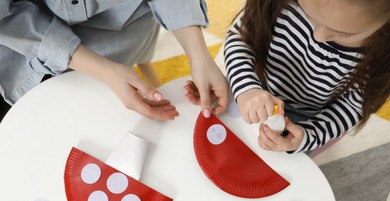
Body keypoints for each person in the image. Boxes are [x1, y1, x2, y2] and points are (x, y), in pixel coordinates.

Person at [0, 0, 228, 121]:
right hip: (18, 54)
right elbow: (7, 17)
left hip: (122, 35)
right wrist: (105, 71)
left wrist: (199, 54)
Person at [224, 0, 390, 153]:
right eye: (308, 15)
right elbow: (240, 39)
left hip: (309, 118)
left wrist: (307, 136)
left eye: (343, 34)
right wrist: (247, 88)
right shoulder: (281, 4)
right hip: (250, 83)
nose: (318, 37)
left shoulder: (379, 58)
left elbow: (352, 107)